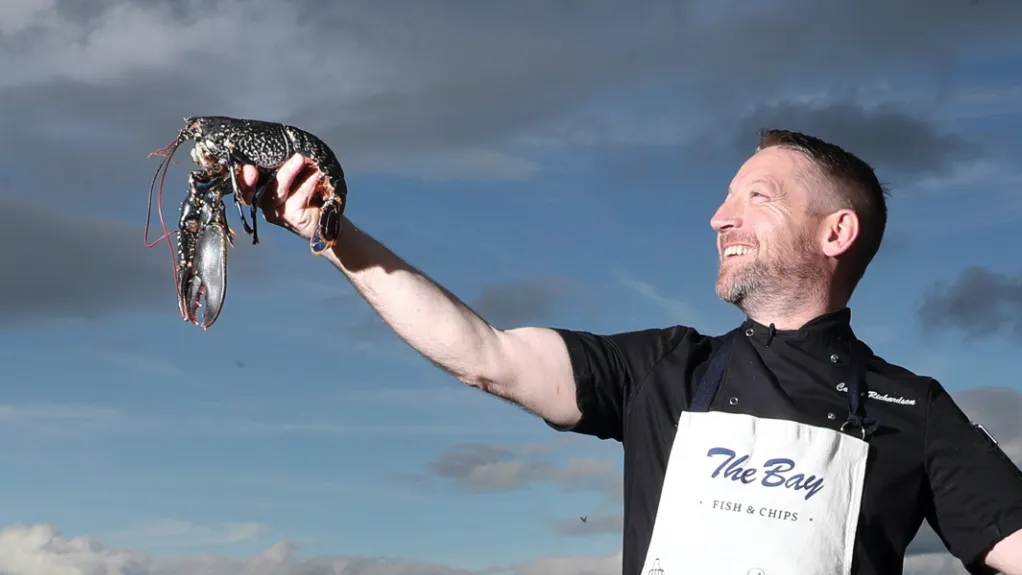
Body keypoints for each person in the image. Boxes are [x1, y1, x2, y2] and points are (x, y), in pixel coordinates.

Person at [237, 129, 1022, 575]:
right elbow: (484, 353)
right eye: (723, 197)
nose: (720, 216)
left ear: (836, 232)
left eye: (757, 196)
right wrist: (332, 235)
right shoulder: (665, 370)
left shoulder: (911, 412)